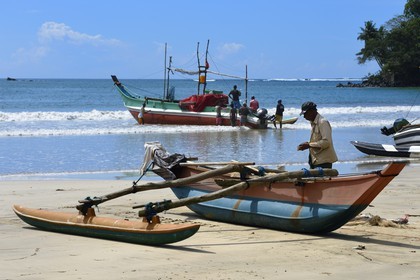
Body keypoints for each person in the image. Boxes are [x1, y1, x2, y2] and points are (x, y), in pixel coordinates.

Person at [297, 101, 338, 169]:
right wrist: (308, 144)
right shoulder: (313, 122)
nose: (304, 116)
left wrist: (309, 145)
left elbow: (326, 142)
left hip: (323, 162)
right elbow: (317, 139)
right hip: (316, 161)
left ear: (311, 111)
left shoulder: (322, 122)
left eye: (305, 114)